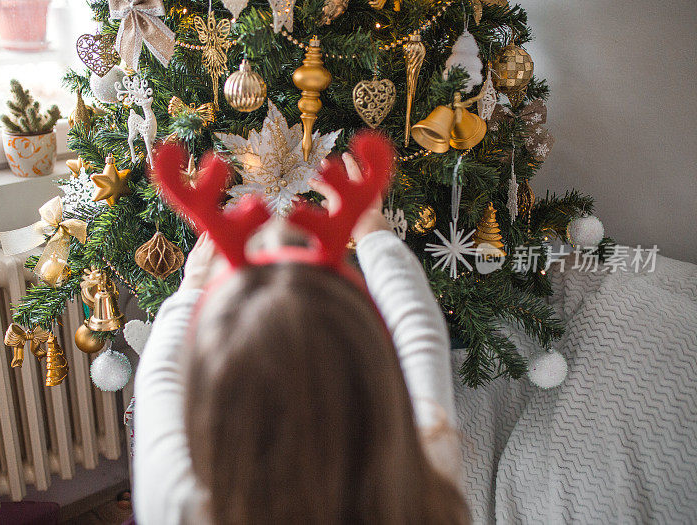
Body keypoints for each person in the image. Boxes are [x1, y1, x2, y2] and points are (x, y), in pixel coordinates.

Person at [133, 148, 469, 524]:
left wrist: (193, 284)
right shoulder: (420, 484)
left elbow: (157, 379)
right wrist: (371, 227)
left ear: (210, 405)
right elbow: (420, 332)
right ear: (378, 383)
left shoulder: (180, 505)